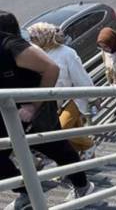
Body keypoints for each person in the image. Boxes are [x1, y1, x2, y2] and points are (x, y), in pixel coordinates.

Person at [1, 11, 95, 207]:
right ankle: (26, 194)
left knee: (56, 149)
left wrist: (34, 105)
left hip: (35, 109)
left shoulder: (11, 45)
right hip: (9, 111)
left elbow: (51, 68)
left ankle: (83, 187)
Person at [27, 22, 97, 160]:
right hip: (53, 103)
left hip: (73, 98)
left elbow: (80, 76)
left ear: (44, 37)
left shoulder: (67, 53)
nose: (31, 41)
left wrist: (93, 98)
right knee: (71, 132)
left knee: (62, 130)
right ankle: (78, 160)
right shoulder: (36, 54)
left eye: (34, 38)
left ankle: (89, 145)